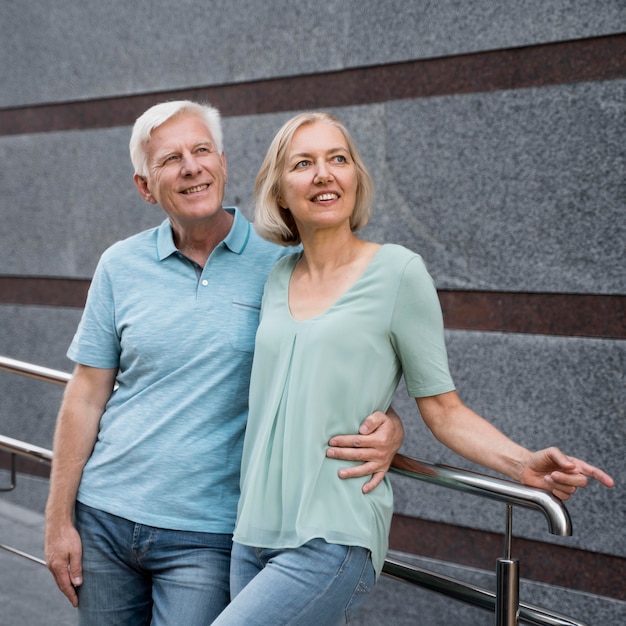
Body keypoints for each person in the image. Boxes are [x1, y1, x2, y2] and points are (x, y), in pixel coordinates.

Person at [211, 111, 615, 625]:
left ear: (355, 178)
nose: (323, 174)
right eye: (303, 163)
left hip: (333, 533)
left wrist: (521, 465)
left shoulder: (398, 273)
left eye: (338, 159)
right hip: (251, 533)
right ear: (280, 192)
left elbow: (444, 408)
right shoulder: (275, 277)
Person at [44, 101, 405, 625]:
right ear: (145, 186)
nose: (191, 167)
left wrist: (389, 423)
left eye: (201, 150)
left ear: (223, 163)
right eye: (170, 159)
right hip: (104, 520)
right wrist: (59, 519)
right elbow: (86, 393)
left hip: (210, 534)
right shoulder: (119, 265)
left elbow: (345, 352)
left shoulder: (285, 261)